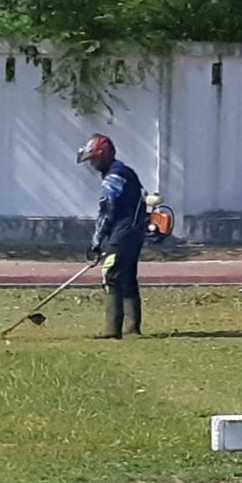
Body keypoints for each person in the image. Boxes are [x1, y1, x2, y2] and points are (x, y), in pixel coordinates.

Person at [76, 133, 147, 339]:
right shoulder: (125, 172)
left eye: (95, 159)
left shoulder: (114, 176)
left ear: (105, 155)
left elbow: (107, 209)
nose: (93, 164)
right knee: (127, 278)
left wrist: (97, 241)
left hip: (123, 233)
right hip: (133, 232)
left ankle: (112, 330)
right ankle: (132, 328)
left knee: (112, 275)